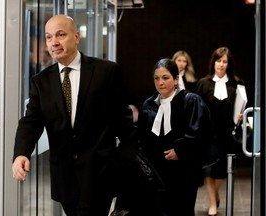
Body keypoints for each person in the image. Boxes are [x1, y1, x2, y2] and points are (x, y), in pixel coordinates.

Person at [12, 15, 137, 216]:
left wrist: (124, 162)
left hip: (100, 173)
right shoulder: (41, 81)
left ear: (76, 36)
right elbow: (31, 122)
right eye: (49, 37)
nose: (54, 42)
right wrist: (21, 153)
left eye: (61, 35)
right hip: (64, 176)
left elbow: (123, 122)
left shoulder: (106, 71)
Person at [130, 58, 212, 216]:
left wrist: (181, 150)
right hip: (155, 171)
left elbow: (199, 132)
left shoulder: (191, 102)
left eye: (165, 77)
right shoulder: (149, 105)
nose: (160, 82)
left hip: (182, 170)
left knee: (181, 209)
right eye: (156, 78)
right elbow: (142, 137)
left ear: (176, 79)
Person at [196, 47, 244, 216]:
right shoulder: (203, 83)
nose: (221, 64)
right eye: (218, 61)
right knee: (209, 170)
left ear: (228, 64)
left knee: (222, 173)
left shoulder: (236, 83)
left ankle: (215, 194)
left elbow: (242, 106)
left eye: (225, 61)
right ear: (213, 62)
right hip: (209, 134)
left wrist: (240, 115)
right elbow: (198, 108)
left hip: (227, 133)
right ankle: (212, 205)